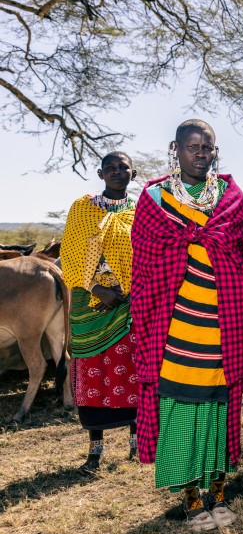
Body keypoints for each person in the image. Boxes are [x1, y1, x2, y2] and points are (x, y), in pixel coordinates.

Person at [131, 120, 243, 532]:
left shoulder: (231, 196)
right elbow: (145, 260)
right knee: (180, 407)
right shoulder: (154, 199)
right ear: (176, 149)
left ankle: (217, 493)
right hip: (174, 325)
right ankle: (189, 498)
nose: (201, 153)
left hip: (224, 323)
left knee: (219, 408)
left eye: (207, 147)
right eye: (192, 147)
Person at [61, 151, 140, 473]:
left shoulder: (142, 212)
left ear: (133, 174)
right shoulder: (83, 209)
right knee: (94, 372)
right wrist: (96, 288)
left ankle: (137, 443)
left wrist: (129, 290)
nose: (117, 172)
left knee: (133, 371)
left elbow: (149, 254)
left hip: (130, 303)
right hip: (89, 302)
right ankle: (95, 447)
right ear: (100, 173)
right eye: (110, 168)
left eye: (123, 168)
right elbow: (70, 254)